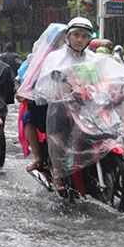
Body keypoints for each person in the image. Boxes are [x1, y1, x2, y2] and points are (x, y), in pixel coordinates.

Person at [29, 17, 95, 191]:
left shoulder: (94, 59)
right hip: (62, 108)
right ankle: (58, 174)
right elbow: (43, 85)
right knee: (57, 139)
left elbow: (102, 80)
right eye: (76, 35)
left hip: (88, 110)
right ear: (68, 37)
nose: (80, 40)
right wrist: (55, 92)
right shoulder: (55, 58)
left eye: (84, 36)